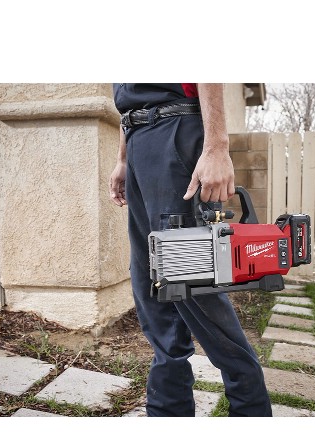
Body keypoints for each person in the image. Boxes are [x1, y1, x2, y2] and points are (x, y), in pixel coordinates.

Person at [109, 83, 272, 417]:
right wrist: (124, 158)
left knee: (194, 288)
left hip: (175, 132)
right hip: (138, 140)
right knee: (150, 287)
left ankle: (250, 408)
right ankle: (168, 411)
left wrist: (217, 147)